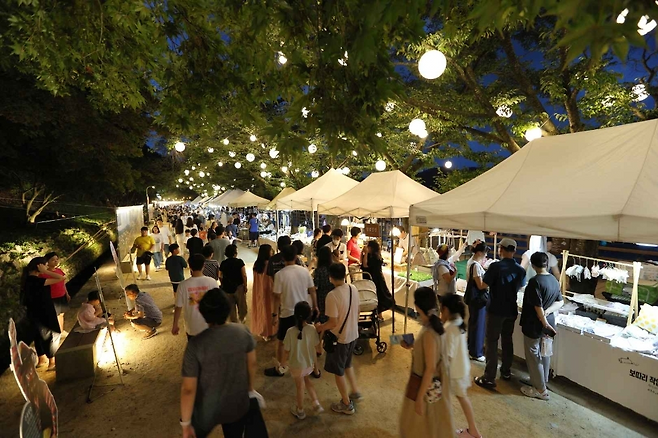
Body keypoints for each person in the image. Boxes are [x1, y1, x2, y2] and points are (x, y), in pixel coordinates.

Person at [180, 288, 268, 438]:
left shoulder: (195, 345)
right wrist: (249, 389)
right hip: (237, 402)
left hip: (208, 408)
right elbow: (252, 363)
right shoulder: (242, 331)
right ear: (227, 309)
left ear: (204, 314)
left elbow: (188, 389)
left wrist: (186, 424)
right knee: (233, 431)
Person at [399, 286, 454, 437]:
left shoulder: (429, 332)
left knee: (418, 425)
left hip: (424, 385)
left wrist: (419, 398)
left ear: (417, 306)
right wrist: (414, 346)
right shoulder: (435, 325)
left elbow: (430, 368)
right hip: (433, 385)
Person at [475, 237, 526, 389]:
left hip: (495, 309)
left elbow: (483, 285)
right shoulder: (520, 270)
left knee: (491, 342)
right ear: (514, 251)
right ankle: (506, 372)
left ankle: (489, 377)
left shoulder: (495, 267)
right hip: (511, 309)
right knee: (507, 340)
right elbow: (519, 287)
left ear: (501, 250)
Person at [315, 263, 361, 415]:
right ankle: (355, 391)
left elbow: (333, 322)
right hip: (353, 334)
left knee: (338, 371)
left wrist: (320, 328)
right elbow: (358, 311)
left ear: (330, 277)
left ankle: (346, 404)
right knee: (347, 364)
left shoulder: (332, 296)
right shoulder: (353, 288)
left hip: (341, 339)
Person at [265, 245, 318, 377]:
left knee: (281, 342)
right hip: (304, 311)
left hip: (287, 312)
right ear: (296, 257)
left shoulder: (280, 275)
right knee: (308, 340)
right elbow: (312, 290)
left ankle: (281, 368)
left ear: (283, 258)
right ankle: (314, 369)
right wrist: (315, 307)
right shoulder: (304, 271)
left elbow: (277, 297)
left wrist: (274, 315)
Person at [519, 252, 564, 401]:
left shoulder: (535, 282)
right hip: (549, 322)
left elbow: (537, 306)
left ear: (533, 265)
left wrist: (543, 320)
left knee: (533, 355)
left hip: (535, 324)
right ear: (547, 264)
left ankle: (540, 390)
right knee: (545, 353)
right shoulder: (553, 280)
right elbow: (560, 302)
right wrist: (548, 313)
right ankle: (541, 381)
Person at [440, 294, 483, 438]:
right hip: (462, 368)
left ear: (446, 310)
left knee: (450, 400)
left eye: (441, 310)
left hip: (454, 372)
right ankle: (472, 430)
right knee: (461, 398)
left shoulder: (449, 327)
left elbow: (448, 355)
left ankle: (471, 430)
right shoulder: (458, 321)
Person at [22, 257, 65, 371]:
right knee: (52, 334)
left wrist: (44, 271)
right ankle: (52, 361)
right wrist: (46, 271)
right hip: (45, 310)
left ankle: (42, 359)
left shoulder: (27, 280)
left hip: (34, 312)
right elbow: (60, 278)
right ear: (39, 266)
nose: (47, 267)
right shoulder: (37, 281)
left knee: (39, 335)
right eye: (45, 265)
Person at [283, 301, 323, 419]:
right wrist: (316, 368)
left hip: (296, 365)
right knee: (307, 381)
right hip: (308, 364)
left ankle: (300, 410)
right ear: (309, 315)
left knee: (300, 387)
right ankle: (316, 403)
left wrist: (282, 363)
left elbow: (286, 350)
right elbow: (317, 347)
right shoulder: (312, 329)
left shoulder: (290, 331)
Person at [173, 255, 219, 339]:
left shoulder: (183, 285)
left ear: (190, 266)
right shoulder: (212, 282)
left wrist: (175, 324)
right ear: (203, 265)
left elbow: (178, 306)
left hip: (192, 327)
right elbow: (218, 303)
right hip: (210, 325)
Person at [465, 242, 489, 362]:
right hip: (478, 300)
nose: (486, 256)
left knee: (473, 324)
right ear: (479, 253)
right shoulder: (476, 266)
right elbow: (480, 285)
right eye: (485, 253)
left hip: (472, 299)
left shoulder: (471, 262)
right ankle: (476, 352)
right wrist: (490, 281)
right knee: (478, 325)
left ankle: (471, 348)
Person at [252, 244, 277, 340]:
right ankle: (269, 331)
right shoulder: (269, 264)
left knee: (260, 309)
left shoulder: (256, 264)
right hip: (268, 289)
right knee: (269, 309)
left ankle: (261, 330)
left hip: (258, 289)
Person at [41, 252, 70, 334]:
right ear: (47, 261)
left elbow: (63, 283)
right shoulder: (43, 275)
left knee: (62, 314)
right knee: (56, 315)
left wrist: (66, 293)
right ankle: (58, 332)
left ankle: (61, 330)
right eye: (53, 260)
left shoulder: (59, 270)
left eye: (57, 259)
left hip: (62, 295)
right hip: (52, 298)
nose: (56, 261)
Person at [361, 240, 393, 315]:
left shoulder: (375, 257)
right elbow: (362, 262)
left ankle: (379, 314)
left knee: (379, 295)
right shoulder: (369, 255)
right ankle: (375, 312)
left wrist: (366, 253)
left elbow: (365, 265)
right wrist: (363, 253)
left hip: (376, 278)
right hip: (369, 277)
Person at [219, 244, 248, 323]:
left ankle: (233, 321)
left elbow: (220, 276)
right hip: (239, 286)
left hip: (227, 287)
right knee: (241, 304)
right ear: (235, 253)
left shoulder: (223, 263)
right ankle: (242, 318)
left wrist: (222, 283)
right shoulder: (239, 262)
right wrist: (245, 285)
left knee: (230, 306)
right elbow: (244, 275)